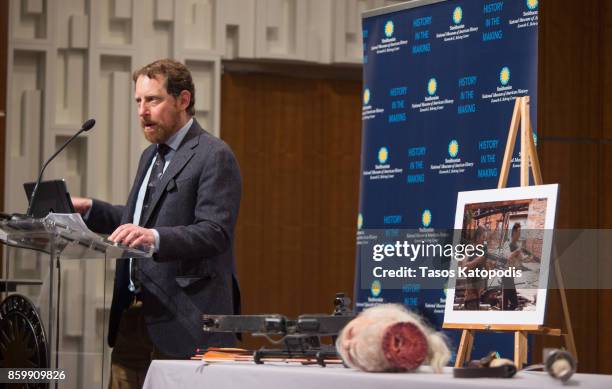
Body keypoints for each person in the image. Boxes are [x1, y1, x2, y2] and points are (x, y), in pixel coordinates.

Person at [72, 58, 242, 388]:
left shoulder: (213, 155)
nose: (142, 111)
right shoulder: (151, 156)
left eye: (153, 100)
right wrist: (91, 209)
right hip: (133, 317)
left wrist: (154, 238)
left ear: (183, 100)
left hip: (182, 319)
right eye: (139, 101)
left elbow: (215, 231)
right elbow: (139, 221)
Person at [461, 226, 487, 310]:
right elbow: (464, 269)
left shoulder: (482, 252)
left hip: (477, 295)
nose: (484, 240)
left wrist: (484, 284)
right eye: (483, 237)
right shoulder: (469, 249)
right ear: (478, 237)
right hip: (470, 297)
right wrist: (478, 260)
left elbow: (488, 270)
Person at [501, 223, 523, 310]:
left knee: (509, 302)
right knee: (512, 303)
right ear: (514, 232)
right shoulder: (507, 244)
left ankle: (506, 314)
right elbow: (508, 257)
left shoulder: (517, 245)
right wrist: (516, 252)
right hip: (506, 275)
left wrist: (528, 258)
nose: (520, 235)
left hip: (511, 275)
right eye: (519, 232)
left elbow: (520, 259)